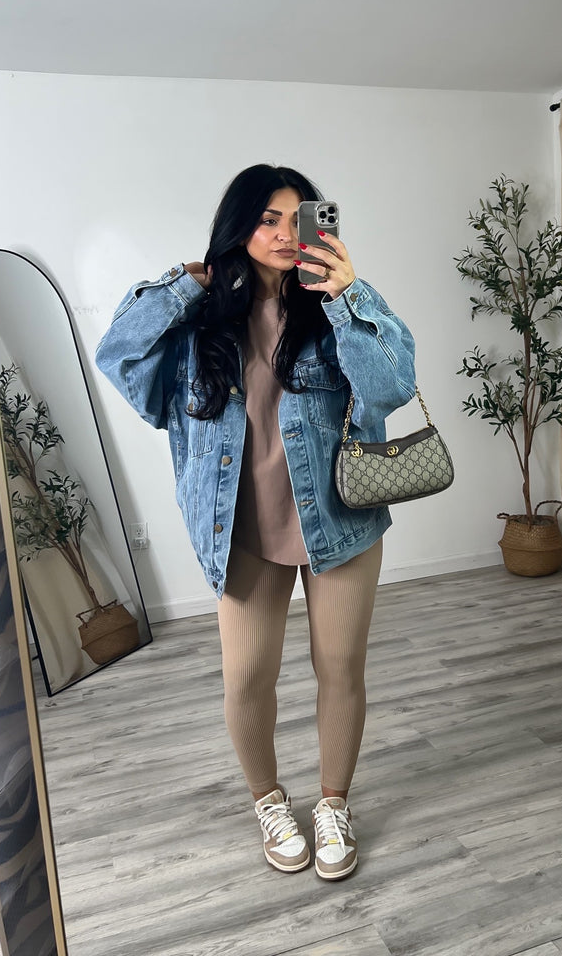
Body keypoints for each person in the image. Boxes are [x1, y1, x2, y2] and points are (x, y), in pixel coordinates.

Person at [95, 164, 415, 880]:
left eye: (298, 219)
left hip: (339, 520)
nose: (283, 233)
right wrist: (185, 285)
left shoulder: (336, 307)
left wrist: (349, 296)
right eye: (268, 219)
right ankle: (269, 800)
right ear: (239, 227)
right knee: (245, 680)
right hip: (240, 528)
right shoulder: (198, 322)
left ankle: (333, 803)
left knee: (340, 669)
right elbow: (117, 355)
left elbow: (393, 385)